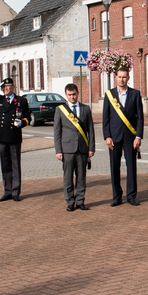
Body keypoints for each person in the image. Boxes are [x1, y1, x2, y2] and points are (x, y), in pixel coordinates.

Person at [102, 67, 144, 207]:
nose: (122, 79)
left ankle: (131, 196)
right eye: (119, 77)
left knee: (131, 167)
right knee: (115, 167)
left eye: (124, 77)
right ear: (115, 77)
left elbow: (140, 118)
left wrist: (138, 136)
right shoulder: (109, 95)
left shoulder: (135, 94)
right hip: (114, 137)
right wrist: (107, 136)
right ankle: (116, 196)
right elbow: (105, 118)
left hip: (130, 137)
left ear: (128, 78)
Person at [54, 83, 95, 211]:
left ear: (78, 93)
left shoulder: (86, 109)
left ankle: (80, 200)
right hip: (67, 149)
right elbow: (57, 132)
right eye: (69, 95)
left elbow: (91, 130)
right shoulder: (60, 110)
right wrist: (58, 150)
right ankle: (70, 202)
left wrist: (91, 148)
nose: (72, 97)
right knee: (68, 177)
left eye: (74, 94)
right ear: (66, 95)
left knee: (81, 177)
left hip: (82, 148)